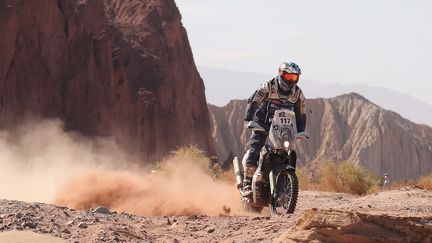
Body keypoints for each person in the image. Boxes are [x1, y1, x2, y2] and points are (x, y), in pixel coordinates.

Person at [242, 61, 307, 196]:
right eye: (288, 76)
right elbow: (253, 101)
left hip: (283, 127)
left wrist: (301, 130)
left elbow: (301, 113)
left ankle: (285, 184)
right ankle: (247, 182)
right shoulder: (268, 86)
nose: (290, 80)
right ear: (281, 74)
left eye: (294, 77)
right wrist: (248, 119)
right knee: (256, 146)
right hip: (263, 123)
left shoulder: (297, 94)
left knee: (289, 150)